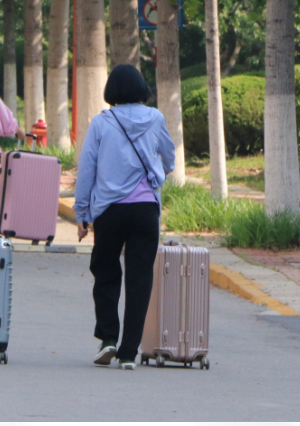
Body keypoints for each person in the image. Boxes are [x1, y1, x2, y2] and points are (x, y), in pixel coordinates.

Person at [74, 64, 175, 370]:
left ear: (112, 91)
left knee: (105, 272)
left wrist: (82, 212)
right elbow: (169, 159)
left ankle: (107, 339)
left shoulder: (101, 123)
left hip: (109, 210)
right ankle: (129, 353)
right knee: (139, 278)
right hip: (145, 209)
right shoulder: (155, 118)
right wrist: (154, 176)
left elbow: (87, 169)